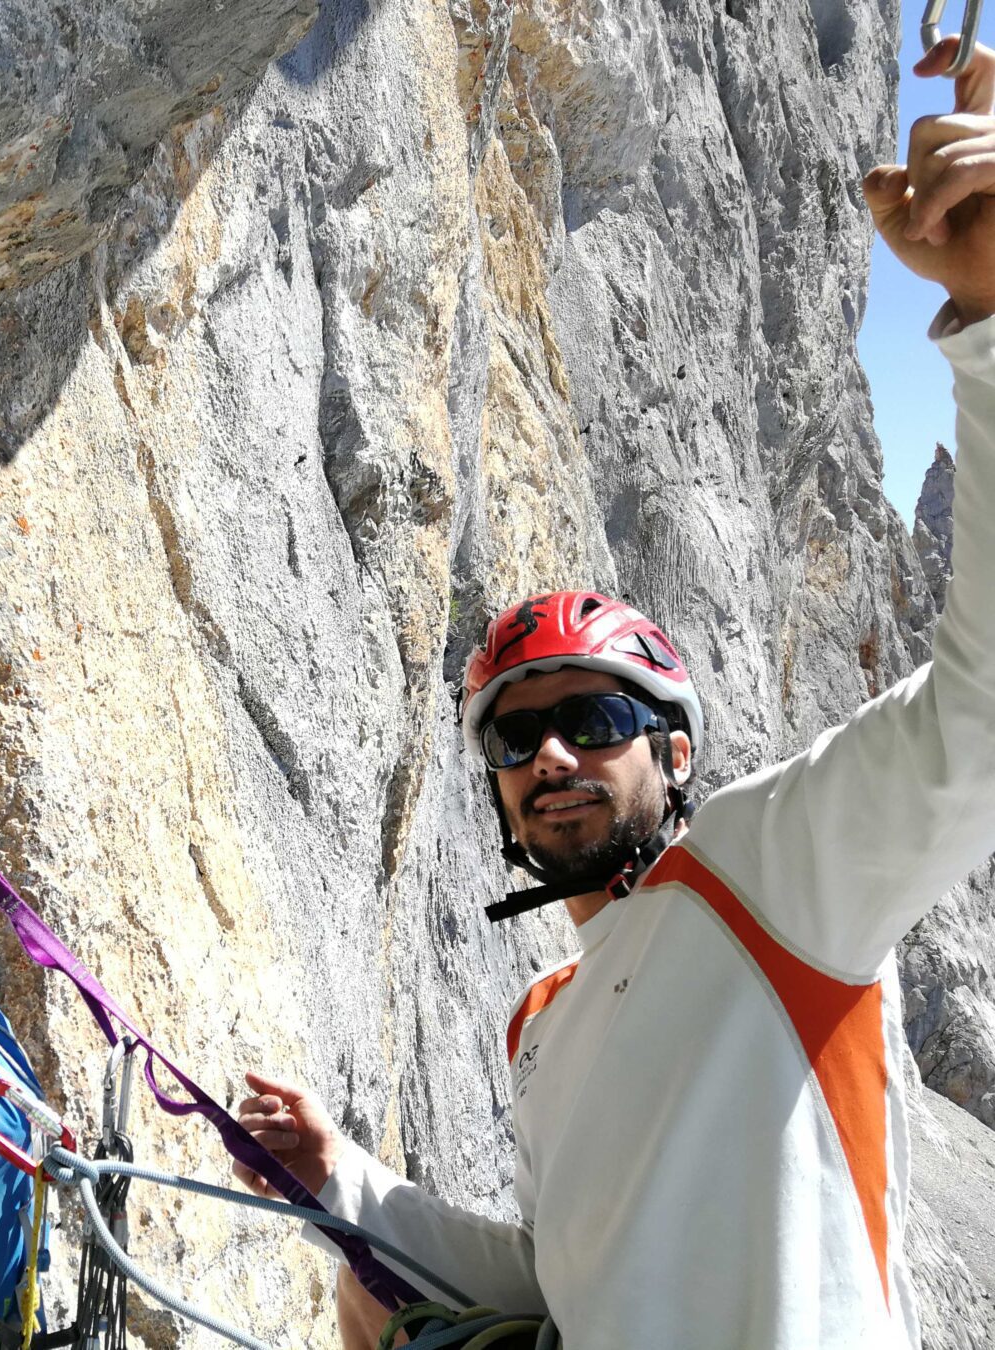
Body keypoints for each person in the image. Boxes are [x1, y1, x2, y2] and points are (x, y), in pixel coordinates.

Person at [232, 35, 995, 1350]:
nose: (553, 755)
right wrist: (340, 1177)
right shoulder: (545, 1021)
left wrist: (987, 312)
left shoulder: (773, 874)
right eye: (520, 733)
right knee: (367, 1299)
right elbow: (552, 1273)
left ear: (676, 753)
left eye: (599, 719)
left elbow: (980, 721)